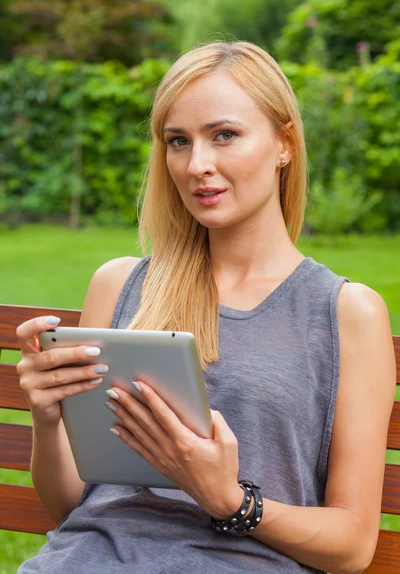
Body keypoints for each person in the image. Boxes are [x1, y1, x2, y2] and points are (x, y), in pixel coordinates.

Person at [16, 40, 396, 574]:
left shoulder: (345, 313)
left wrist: (232, 501)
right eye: (178, 141)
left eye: (224, 136)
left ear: (284, 142)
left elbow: (353, 546)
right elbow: (70, 508)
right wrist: (48, 416)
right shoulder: (120, 285)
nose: (197, 165)